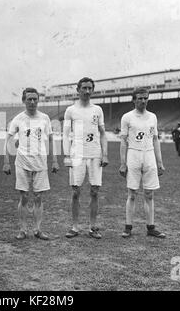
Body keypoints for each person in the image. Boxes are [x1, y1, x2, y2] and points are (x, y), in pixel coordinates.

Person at [3, 88, 59, 241]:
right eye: (29, 99)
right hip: (22, 162)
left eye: (35, 99)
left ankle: (38, 229)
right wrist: (6, 161)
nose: (32, 102)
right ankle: (22, 230)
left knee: (39, 196)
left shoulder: (45, 118)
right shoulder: (18, 119)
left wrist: (54, 160)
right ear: (24, 100)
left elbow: (52, 139)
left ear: (38, 100)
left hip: (40, 163)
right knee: (24, 196)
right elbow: (8, 139)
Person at [62, 77, 108, 239]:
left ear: (92, 90)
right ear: (78, 90)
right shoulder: (70, 110)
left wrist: (105, 154)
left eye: (90, 88)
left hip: (95, 155)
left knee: (95, 191)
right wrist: (67, 156)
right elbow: (66, 135)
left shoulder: (98, 110)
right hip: (77, 156)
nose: (87, 91)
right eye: (84, 88)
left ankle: (93, 227)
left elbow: (102, 134)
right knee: (76, 192)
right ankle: (74, 227)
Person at [119, 87, 166, 239]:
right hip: (133, 154)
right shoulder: (127, 117)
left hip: (149, 155)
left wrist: (159, 162)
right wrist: (122, 163)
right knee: (132, 193)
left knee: (149, 193)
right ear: (134, 100)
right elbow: (123, 142)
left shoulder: (153, 117)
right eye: (139, 98)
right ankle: (128, 227)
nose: (143, 101)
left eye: (145, 98)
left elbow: (155, 139)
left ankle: (151, 227)